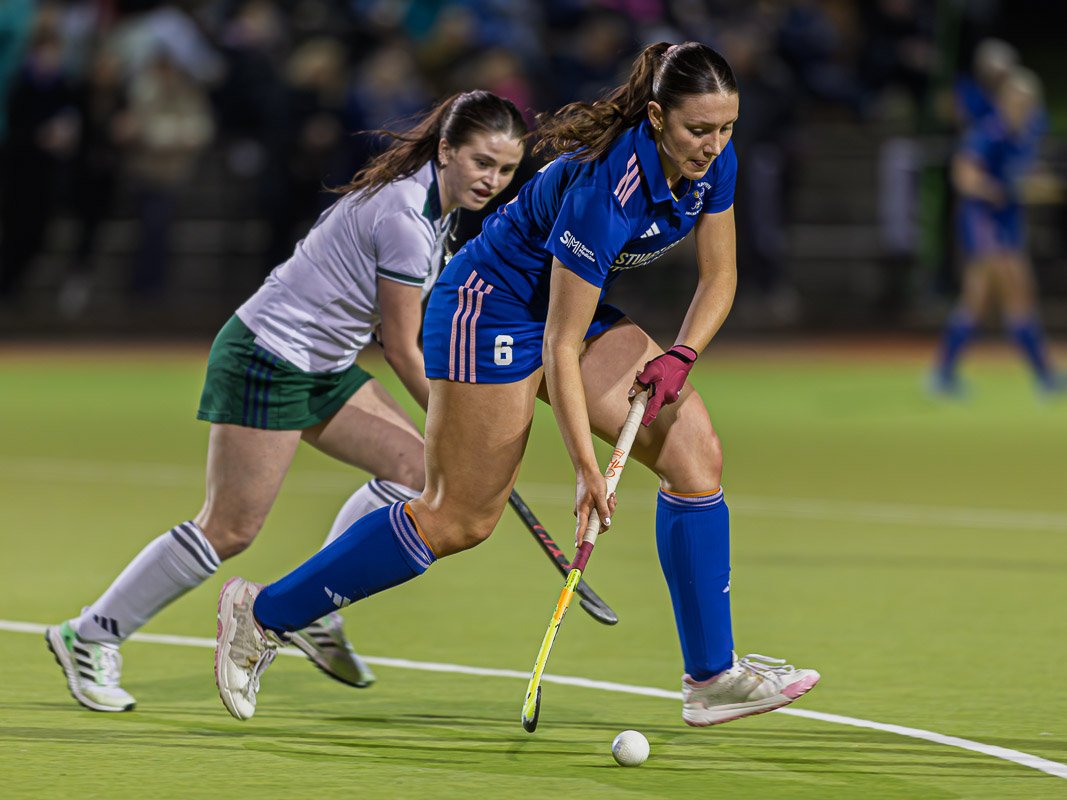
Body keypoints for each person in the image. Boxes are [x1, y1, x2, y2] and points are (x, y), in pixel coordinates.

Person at [214, 42, 820, 726]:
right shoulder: (605, 188)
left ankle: (710, 678)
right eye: (698, 129)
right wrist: (586, 470)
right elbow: (559, 344)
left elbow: (720, 276)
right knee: (457, 519)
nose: (713, 144)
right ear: (656, 116)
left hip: (562, 308)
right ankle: (262, 614)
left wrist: (682, 353)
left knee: (695, 454)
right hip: (489, 307)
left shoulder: (714, 163)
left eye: (726, 128)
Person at [45, 90, 528, 712]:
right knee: (229, 528)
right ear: (445, 151)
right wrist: (461, 429)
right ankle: (89, 635)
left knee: (415, 472)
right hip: (267, 358)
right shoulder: (406, 217)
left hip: (324, 365)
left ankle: (313, 606)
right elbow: (401, 348)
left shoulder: (436, 208)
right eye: (482, 162)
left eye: (506, 169)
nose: (493, 180)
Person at [931, 66, 1062, 396]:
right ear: (1004, 101)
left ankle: (943, 374)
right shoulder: (989, 133)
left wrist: (1037, 187)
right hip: (984, 220)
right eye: (1016, 101)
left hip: (1008, 221)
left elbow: (1024, 176)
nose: (1021, 108)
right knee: (1015, 289)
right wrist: (995, 189)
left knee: (979, 298)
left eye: (1027, 103)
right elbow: (964, 175)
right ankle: (1044, 375)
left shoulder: (1028, 133)